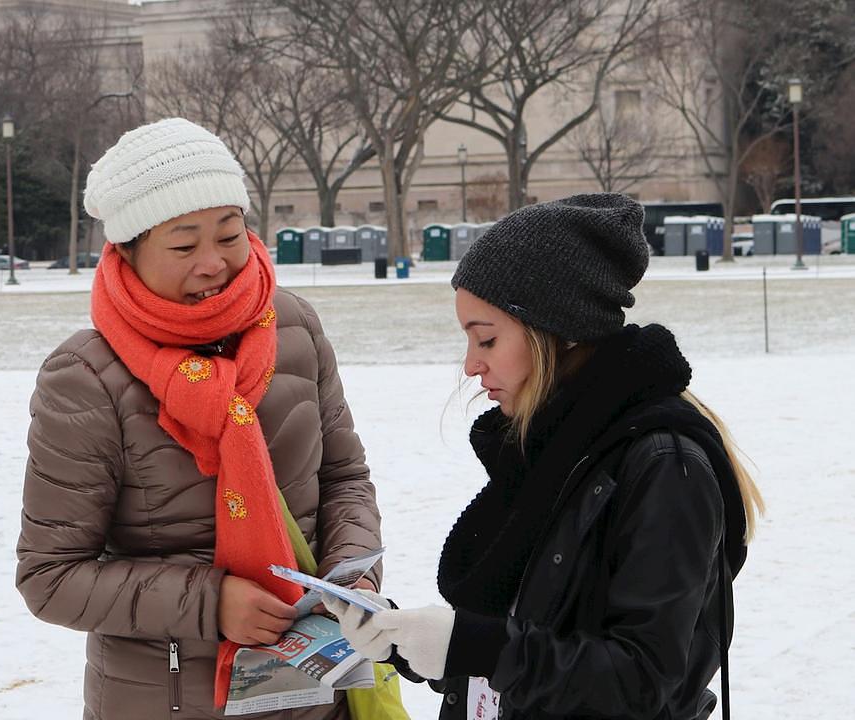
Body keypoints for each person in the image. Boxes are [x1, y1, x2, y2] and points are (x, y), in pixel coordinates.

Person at [324, 194, 765, 720]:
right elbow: (525, 627)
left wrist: (470, 644)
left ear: (553, 333)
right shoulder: (548, 448)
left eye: (486, 339)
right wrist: (404, 640)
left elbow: (643, 683)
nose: (470, 365)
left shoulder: (664, 465)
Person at [15, 117, 382, 720]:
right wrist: (210, 604)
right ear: (127, 252)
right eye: (184, 245)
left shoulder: (292, 328)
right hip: (169, 700)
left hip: (317, 694)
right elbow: (51, 577)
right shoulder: (86, 375)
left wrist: (351, 576)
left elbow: (343, 477)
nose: (214, 263)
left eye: (229, 236)